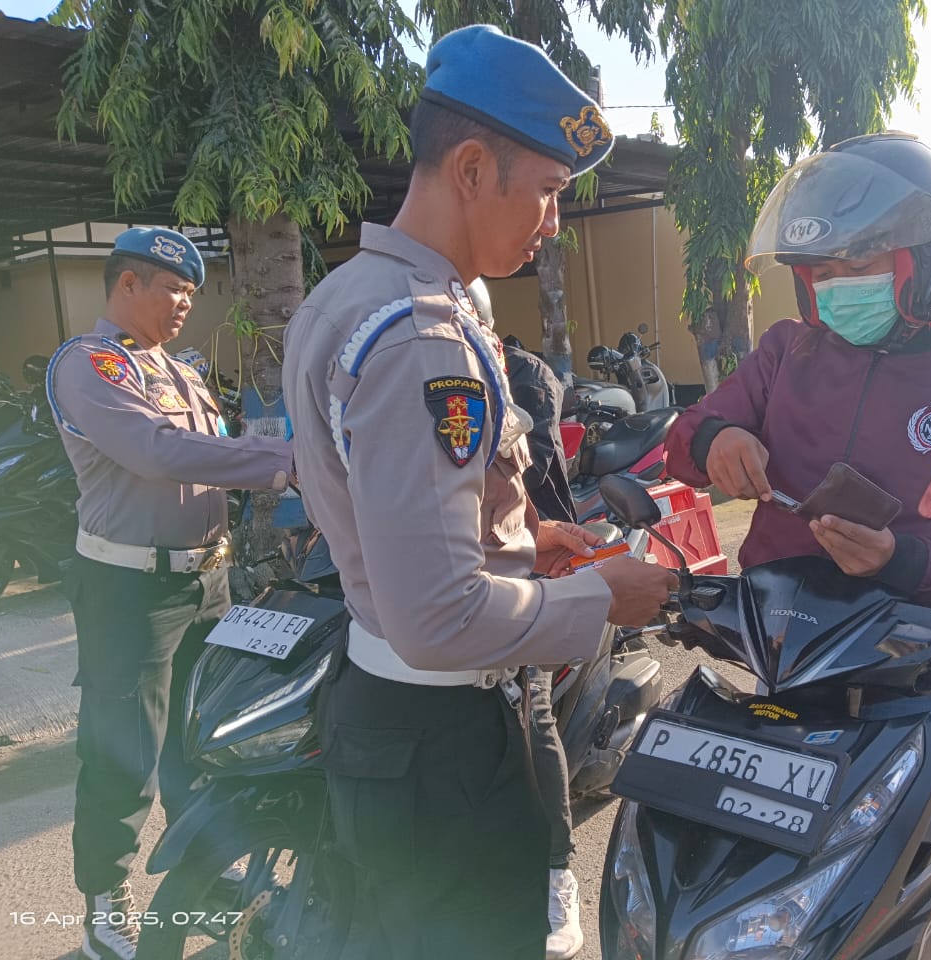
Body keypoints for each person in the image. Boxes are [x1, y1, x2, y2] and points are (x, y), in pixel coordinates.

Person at [281, 24, 677, 960]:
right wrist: (601, 596)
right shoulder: (424, 340)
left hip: (396, 716)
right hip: (446, 736)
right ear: (469, 169)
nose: (553, 221)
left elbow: (407, 494)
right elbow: (436, 615)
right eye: (547, 190)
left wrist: (527, 537)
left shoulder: (350, 297)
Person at [664, 132, 931, 960]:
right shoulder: (786, 353)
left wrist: (905, 561)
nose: (834, 284)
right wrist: (715, 441)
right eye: (820, 269)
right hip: (786, 676)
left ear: (929, 261)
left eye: (859, 264)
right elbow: (686, 435)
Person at [44, 227, 294, 960]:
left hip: (206, 581)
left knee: (203, 740)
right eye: (173, 289)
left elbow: (212, 449)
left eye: (191, 291)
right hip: (132, 590)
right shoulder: (91, 365)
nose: (186, 302)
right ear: (127, 284)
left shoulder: (179, 370)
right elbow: (156, 450)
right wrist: (287, 461)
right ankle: (105, 905)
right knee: (125, 755)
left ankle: (206, 868)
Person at [468, 278, 584, 959]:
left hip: (518, 569)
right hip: (443, 587)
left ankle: (557, 872)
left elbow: (521, 479)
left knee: (531, 714)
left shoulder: (522, 376)